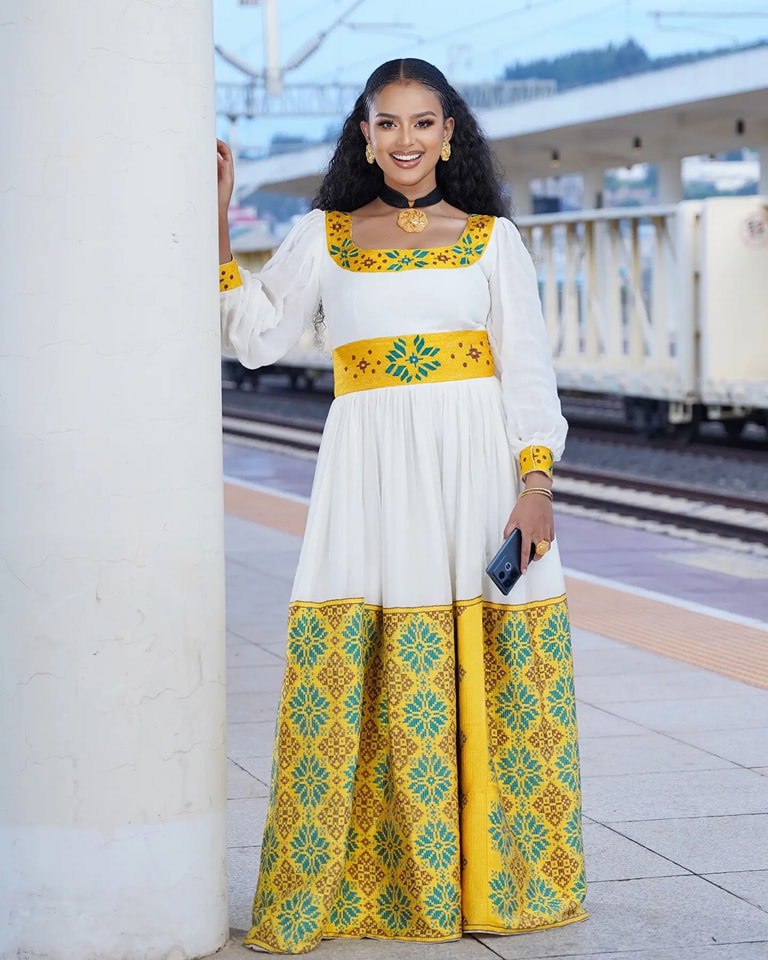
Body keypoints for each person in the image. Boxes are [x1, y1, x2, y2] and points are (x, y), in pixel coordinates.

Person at [217, 57, 588, 955]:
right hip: (368, 475)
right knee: (367, 656)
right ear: (364, 135)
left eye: (424, 123)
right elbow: (259, 339)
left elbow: (528, 370)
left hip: (476, 473)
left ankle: (493, 879)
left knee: (485, 664)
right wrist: (215, 232)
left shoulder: (494, 241)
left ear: (450, 133)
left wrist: (534, 486)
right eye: (388, 124)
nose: (406, 141)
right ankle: (377, 882)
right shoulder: (324, 235)